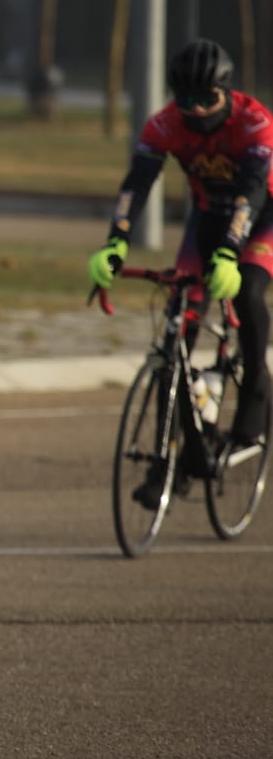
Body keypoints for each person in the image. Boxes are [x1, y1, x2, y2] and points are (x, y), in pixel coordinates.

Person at [88, 37, 273, 468]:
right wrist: (115, 240)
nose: (197, 110)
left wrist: (230, 251)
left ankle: (254, 405)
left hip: (262, 217)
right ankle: (171, 456)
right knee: (177, 330)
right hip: (207, 218)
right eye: (186, 99)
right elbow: (135, 186)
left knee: (246, 294)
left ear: (225, 91)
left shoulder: (254, 123)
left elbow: (251, 194)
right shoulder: (165, 124)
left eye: (207, 98)